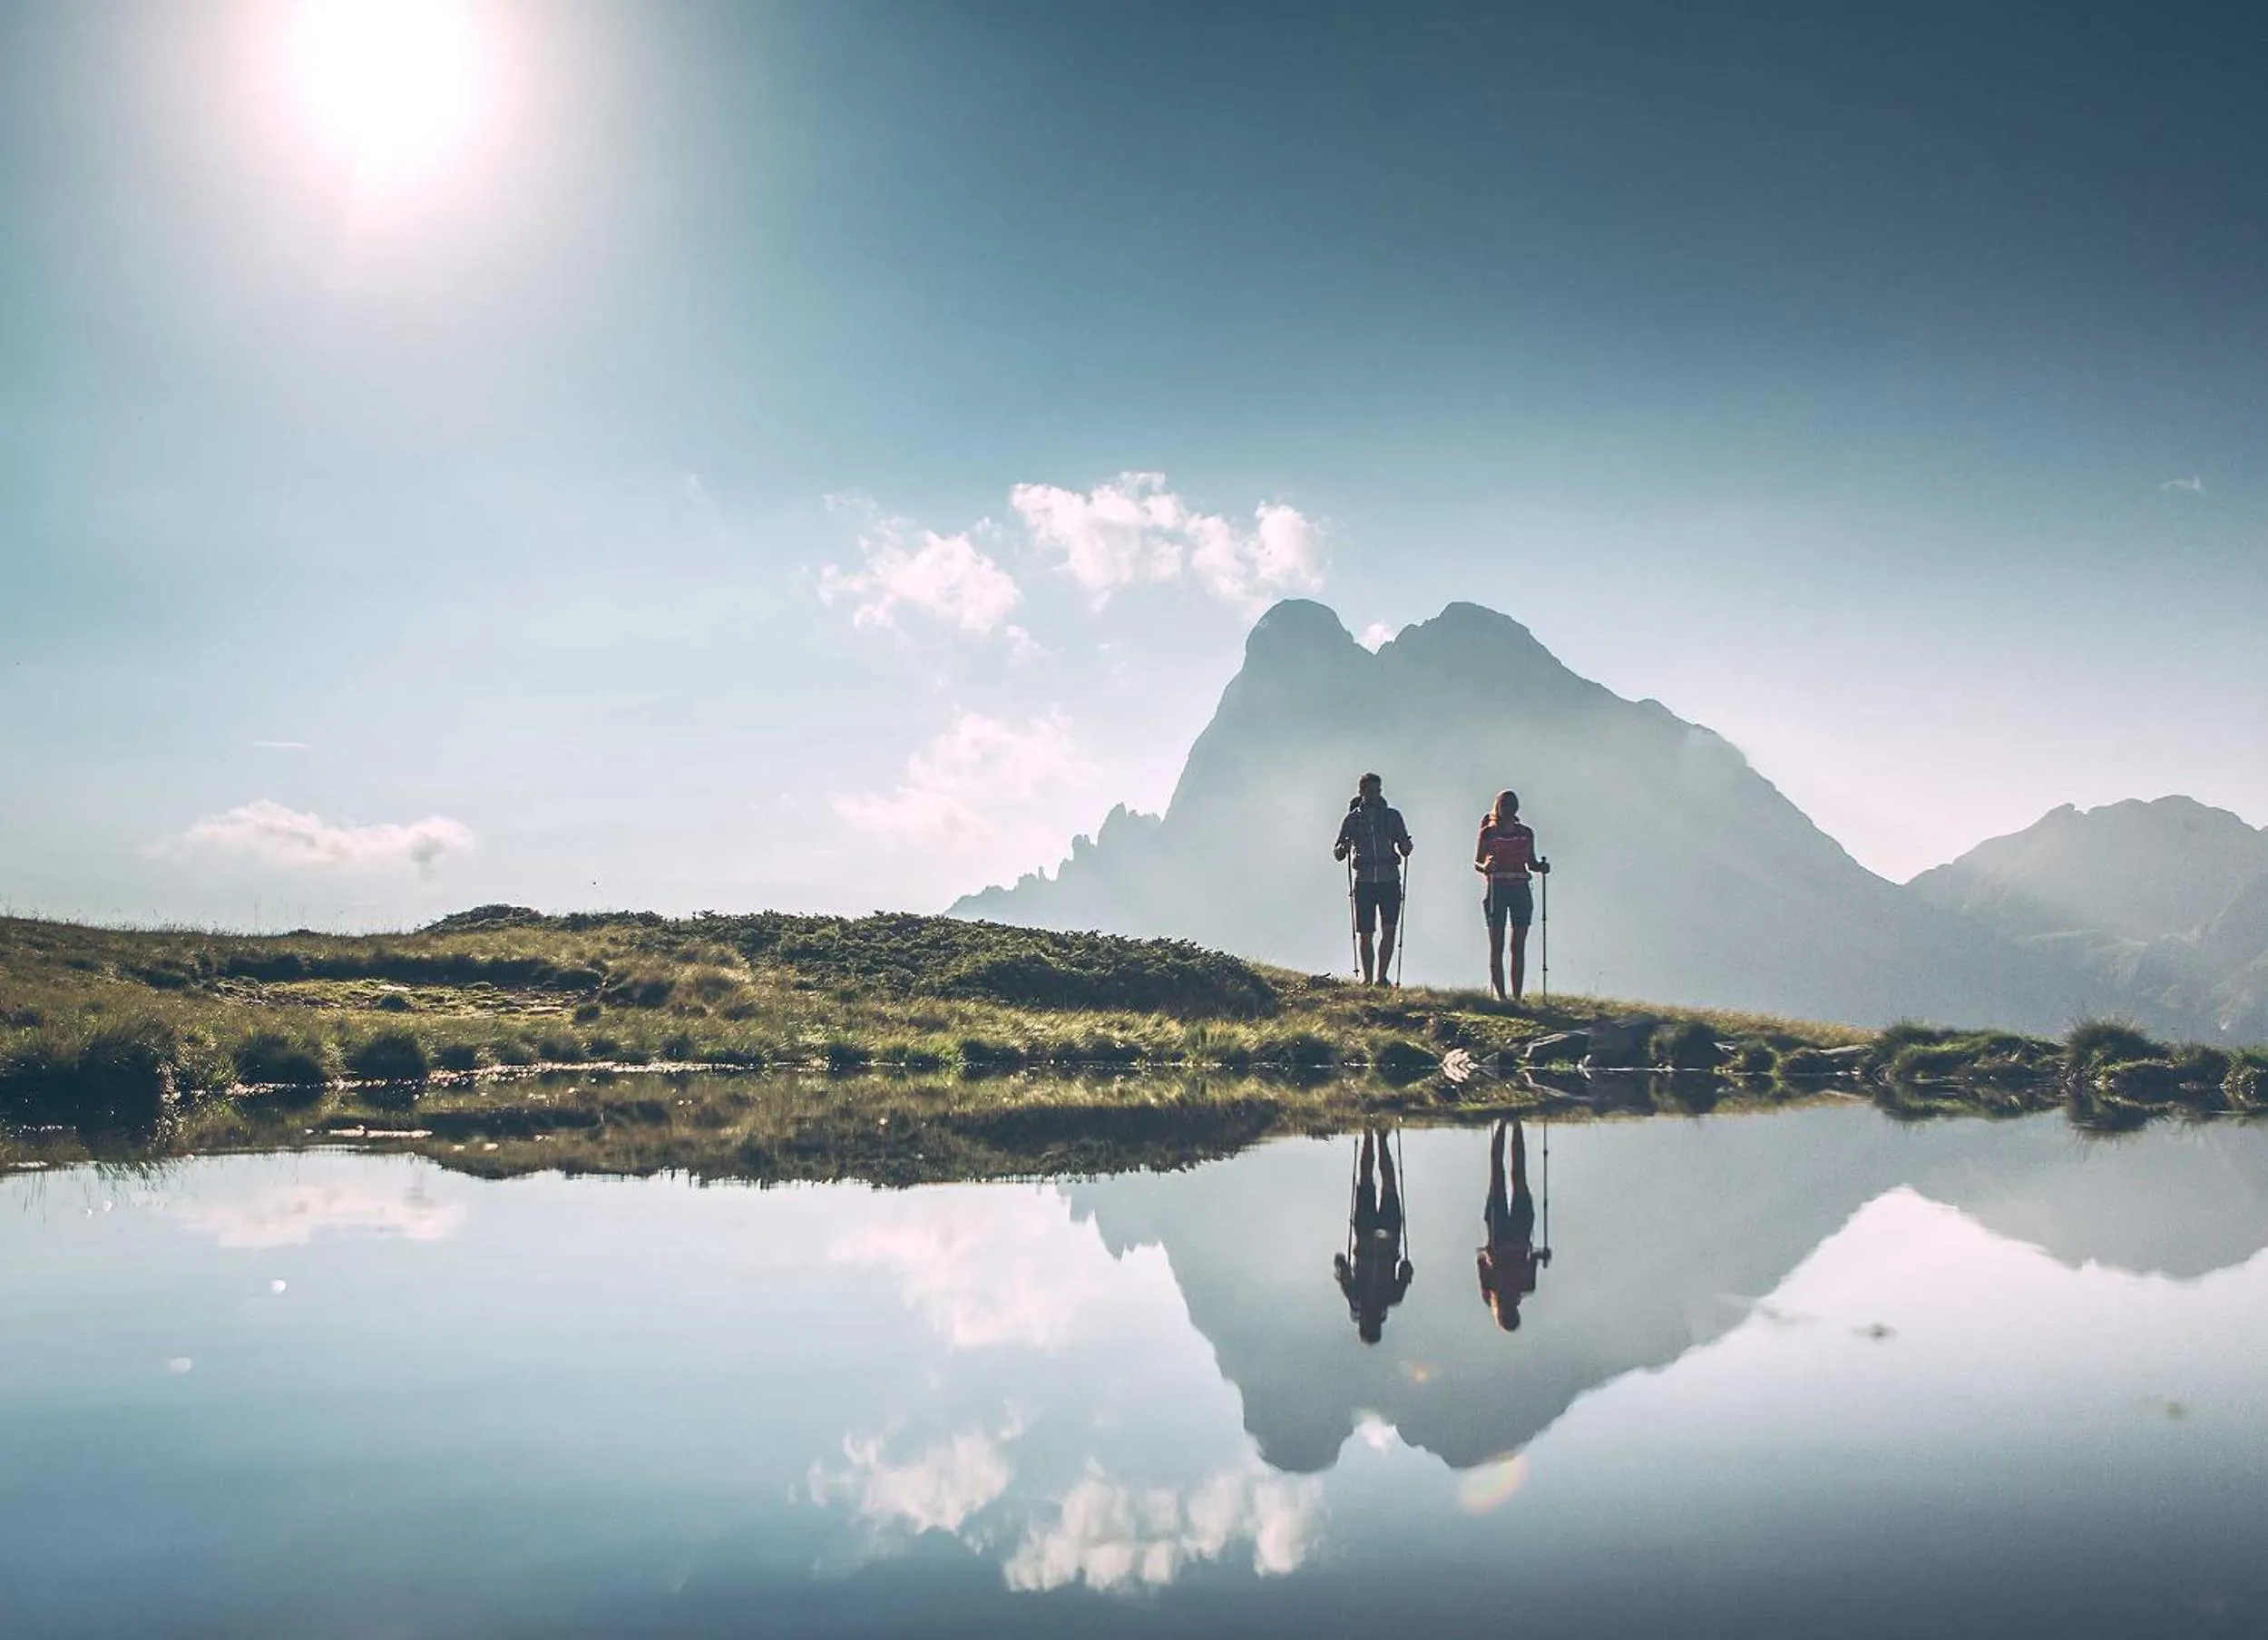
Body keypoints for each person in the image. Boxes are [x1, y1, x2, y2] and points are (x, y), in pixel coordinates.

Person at [1334, 1128, 1413, 1345]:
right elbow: (1341, 1266)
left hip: (1386, 1239)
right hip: (1367, 1237)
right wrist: (1341, 1263)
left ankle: (1379, 1138)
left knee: (1385, 1183)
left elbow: (1406, 1270)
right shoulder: (1356, 1295)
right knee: (1369, 1181)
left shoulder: (1391, 1297)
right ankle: (1372, 1136)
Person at [1334, 773, 1413, 985]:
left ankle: (1381, 977)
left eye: (1377, 791)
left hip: (1388, 879)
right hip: (1366, 881)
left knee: (1389, 928)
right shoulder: (1352, 820)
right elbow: (1338, 851)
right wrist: (1344, 848)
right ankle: (1369, 980)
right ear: (1361, 792)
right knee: (1366, 932)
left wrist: (1405, 847)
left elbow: (1404, 843)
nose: (1375, 796)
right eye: (1371, 792)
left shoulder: (1392, 816)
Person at [1472, 788, 1549, 1002]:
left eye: (1511, 805)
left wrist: (1540, 867)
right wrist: (1486, 866)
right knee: (1497, 943)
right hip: (1497, 888)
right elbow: (1477, 862)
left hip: (1520, 888)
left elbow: (1530, 862)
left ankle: (1515, 997)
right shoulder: (1488, 833)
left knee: (1518, 945)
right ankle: (1502, 997)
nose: (1508, 809)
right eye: (1504, 805)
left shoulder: (1526, 833)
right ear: (1498, 807)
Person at [1477, 1118, 1548, 1332]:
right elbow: (1481, 1262)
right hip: (1500, 1236)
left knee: (1517, 1176)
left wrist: (1541, 1256)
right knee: (1500, 1176)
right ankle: (1505, 1125)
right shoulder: (1491, 1292)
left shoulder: (1526, 1287)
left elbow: (1533, 1258)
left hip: (1518, 1234)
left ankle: (1513, 1125)